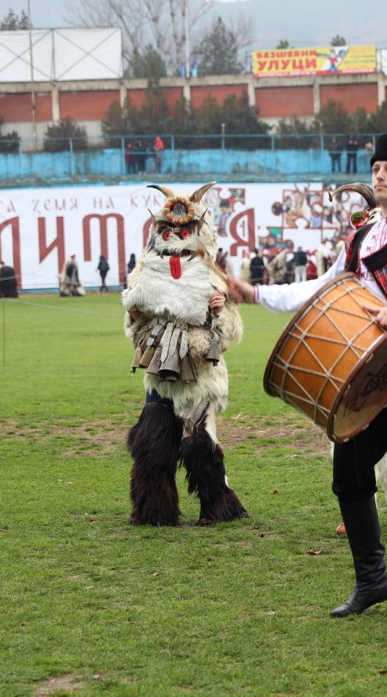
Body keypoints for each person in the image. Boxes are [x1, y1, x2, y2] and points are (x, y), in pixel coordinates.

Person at [227, 133, 387, 628]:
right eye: (377, 168)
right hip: (366, 374)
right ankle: (372, 580)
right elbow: (324, 289)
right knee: (349, 475)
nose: (380, 176)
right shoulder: (360, 238)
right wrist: (255, 293)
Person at [123, 182, 247, 527]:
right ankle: (154, 511)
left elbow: (231, 333)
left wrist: (220, 310)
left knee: (199, 444)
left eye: (185, 228)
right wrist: (134, 315)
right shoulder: (146, 272)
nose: (178, 234)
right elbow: (134, 327)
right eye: (170, 228)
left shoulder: (212, 276)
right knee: (153, 441)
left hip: (200, 375)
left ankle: (217, 507)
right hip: (160, 371)